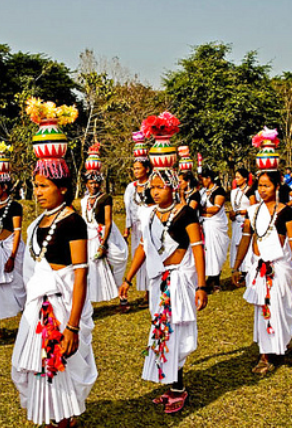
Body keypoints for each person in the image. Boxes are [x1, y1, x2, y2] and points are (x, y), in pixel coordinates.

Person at [11, 100, 96, 427]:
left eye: (44, 186)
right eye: (36, 186)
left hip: (61, 313)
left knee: (60, 374)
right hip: (37, 311)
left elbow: (80, 277)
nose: (38, 192)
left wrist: (73, 326)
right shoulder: (40, 222)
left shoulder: (73, 222)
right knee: (35, 372)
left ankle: (62, 421)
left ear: (63, 188)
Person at [119, 113, 208, 414]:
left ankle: (179, 389)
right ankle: (172, 385)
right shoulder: (148, 215)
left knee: (175, 333)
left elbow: (197, 248)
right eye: (152, 187)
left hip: (180, 282)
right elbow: (144, 247)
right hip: (159, 282)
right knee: (161, 331)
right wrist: (128, 279)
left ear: (172, 185)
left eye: (161, 186)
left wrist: (202, 285)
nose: (155, 191)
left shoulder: (185, 214)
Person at [232, 128, 292, 373]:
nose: (262, 190)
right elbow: (246, 240)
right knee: (264, 309)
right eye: (260, 185)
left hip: (281, 267)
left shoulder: (286, 211)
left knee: (283, 307)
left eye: (267, 185)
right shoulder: (252, 212)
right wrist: (236, 266)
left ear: (276, 186)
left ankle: (282, 342)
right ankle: (265, 354)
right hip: (259, 268)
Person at [0, 144, 26, 338]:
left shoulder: (15, 206)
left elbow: (17, 232)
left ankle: (27, 322)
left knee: (19, 285)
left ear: (5, 187)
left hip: (11, 248)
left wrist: (12, 256)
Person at [80, 143, 128, 303]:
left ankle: (122, 294)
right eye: (91, 182)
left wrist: (103, 244)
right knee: (90, 268)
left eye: (96, 183)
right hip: (89, 235)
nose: (94, 185)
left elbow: (108, 221)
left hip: (105, 234)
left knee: (118, 259)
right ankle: (90, 300)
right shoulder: (84, 200)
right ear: (86, 184)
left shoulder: (106, 198)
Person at [124, 133, 154, 307]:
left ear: (147, 169)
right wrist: (127, 228)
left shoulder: (153, 184)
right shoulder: (131, 187)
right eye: (134, 168)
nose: (135, 171)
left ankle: (151, 291)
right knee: (139, 257)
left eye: (138, 168)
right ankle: (145, 291)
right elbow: (128, 208)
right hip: (137, 228)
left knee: (150, 256)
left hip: (150, 225)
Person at [199, 168, 230, 291]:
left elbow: (215, 209)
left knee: (216, 252)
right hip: (205, 224)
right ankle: (211, 278)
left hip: (216, 225)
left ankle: (215, 279)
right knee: (208, 252)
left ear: (209, 179)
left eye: (203, 179)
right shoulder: (202, 192)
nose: (202, 182)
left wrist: (201, 210)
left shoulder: (219, 191)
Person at [228, 168, 257, 285]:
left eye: (238, 177)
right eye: (235, 177)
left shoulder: (250, 191)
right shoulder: (234, 192)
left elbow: (254, 207)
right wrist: (233, 214)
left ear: (245, 178)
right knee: (236, 245)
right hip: (236, 222)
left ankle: (247, 272)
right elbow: (234, 206)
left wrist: (240, 212)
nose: (236, 179)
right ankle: (238, 270)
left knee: (245, 246)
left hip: (246, 222)